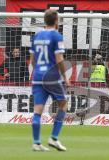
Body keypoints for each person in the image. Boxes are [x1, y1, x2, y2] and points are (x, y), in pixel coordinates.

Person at [29, 9, 70, 151]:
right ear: (56, 21)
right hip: (51, 76)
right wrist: (65, 78)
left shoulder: (37, 36)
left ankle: (36, 142)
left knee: (37, 110)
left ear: (45, 20)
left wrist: (37, 73)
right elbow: (59, 59)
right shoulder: (56, 36)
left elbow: (32, 60)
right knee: (63, 105)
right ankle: (53, 138)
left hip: (37, 76)